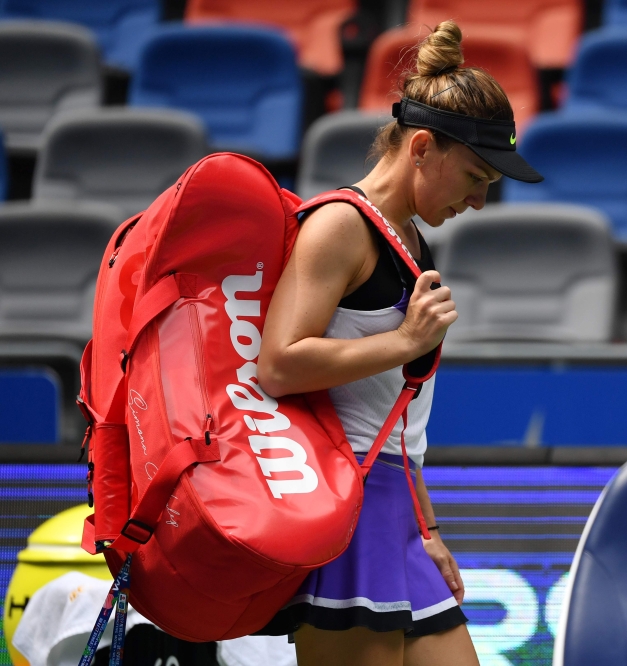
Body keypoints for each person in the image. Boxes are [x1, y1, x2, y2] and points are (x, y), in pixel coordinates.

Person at [256, 20, 542, 666]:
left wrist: (427, 527)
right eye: (474, 177)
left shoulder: (409, 238)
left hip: (397, 511)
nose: (477, 202)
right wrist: (406, 339)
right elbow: (278, 365)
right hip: (347, 515)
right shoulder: (338, 227)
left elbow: (395, 415)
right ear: (421, 149)